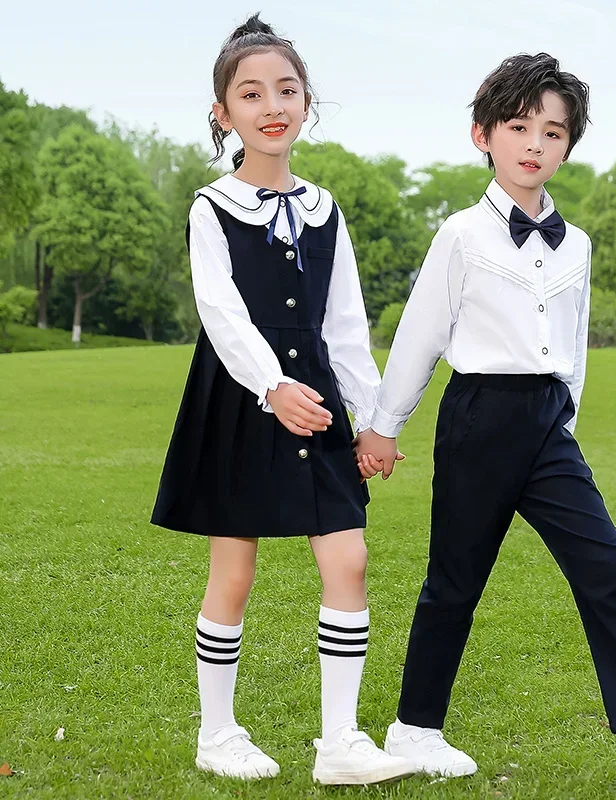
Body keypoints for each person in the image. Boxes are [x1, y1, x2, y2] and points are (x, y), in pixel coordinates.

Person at [358, 53, 616, 791]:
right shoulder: (462, 234)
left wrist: (567, 416)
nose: (536, 143)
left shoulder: (581, 244)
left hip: (546, 426)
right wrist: (383, 426)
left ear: (568, 146)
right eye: (519, 126)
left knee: (605, 559)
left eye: (554, 132)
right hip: (478, 417)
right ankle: (413, 730)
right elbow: (420, 335)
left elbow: (575, 343)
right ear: (483, 135)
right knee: (455, 580)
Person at [151, 14, 413, 786]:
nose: (273, 104)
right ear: (222, 113)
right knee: (233, 573)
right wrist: (271, 385)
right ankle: (218, 732)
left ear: (307, 103)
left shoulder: (327, 209)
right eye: (251, 92)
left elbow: (346, 323)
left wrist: (375, 421)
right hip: (241, 401)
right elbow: (220, 311)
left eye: (288, 89)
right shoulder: (212, 206)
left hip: (323, 405)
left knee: (351, 560)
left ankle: (341, 742)